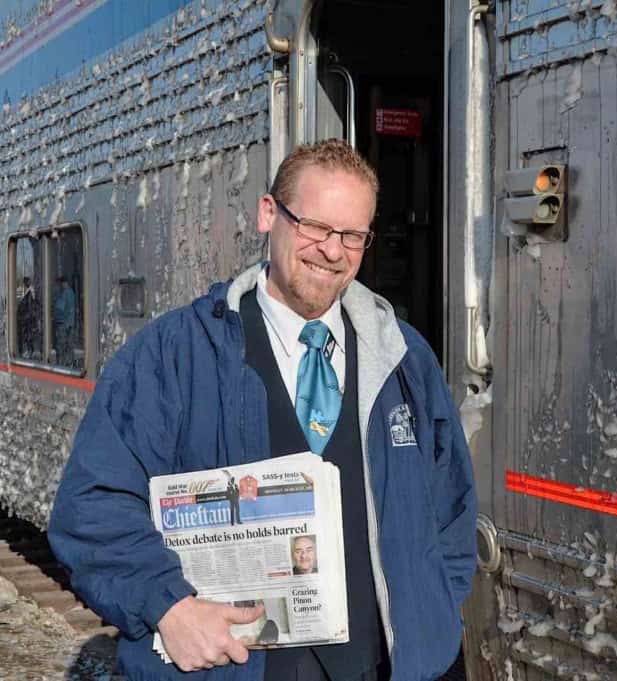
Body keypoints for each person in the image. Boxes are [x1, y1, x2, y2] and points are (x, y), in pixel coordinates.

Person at [48, 139, 477, 681]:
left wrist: (430, 615)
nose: (332, 251)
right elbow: (92, 505)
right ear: (268, 214)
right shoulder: (172, 356)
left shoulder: (404, 357)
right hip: (233, 669)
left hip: (388, 668)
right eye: (315, 227)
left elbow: (453, 511)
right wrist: (168, 606)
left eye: (352, 236)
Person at [53, 274, 77, 365]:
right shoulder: (70, 292)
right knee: (69, 346)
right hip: (68, 324)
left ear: (63, 283)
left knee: (62, 347)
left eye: (59, 284)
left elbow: (61, 310)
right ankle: (69, 363)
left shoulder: (65, 293)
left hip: (63, 325)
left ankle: (62, 365)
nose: (59, 286)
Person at [16, 276, 40, 358]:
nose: (29, 284)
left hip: (27, 321)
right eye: (28, 282)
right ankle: (26, 352)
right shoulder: (23, 294)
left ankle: (29, 352)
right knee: (26, 338)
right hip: (25, 321)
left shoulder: (29, 294)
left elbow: (34, 305)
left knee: (28, 338)